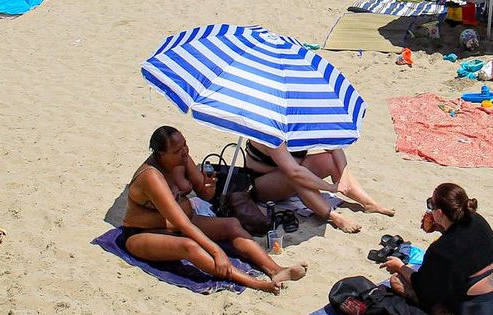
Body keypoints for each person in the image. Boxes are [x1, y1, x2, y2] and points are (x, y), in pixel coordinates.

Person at [119, 126, 304, 294]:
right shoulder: (151, 177)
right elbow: (181, 223)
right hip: (143, 234)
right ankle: (257, 283)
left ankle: (276, 270)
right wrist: (217, 252)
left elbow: (203, 194)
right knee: (189, 246)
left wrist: (208, 188)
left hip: (183, 221)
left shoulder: (183, 160)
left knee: (231, 224)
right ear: (160, 155)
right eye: (177, 150)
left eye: (185, 145)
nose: (184, 152)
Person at [379, 184, 493, 315]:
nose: (429, 209)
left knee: (397, 281)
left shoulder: (440, 250)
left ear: (439, 213)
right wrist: (439, 226)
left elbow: (424, 289)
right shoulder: (478, 221)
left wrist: (400, 266)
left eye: (431, 205)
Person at [241, 138, 392, 235]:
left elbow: (335, 147)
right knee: (298, 177)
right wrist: (330, 187)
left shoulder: (302, 123)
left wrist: (343, 174)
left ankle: (368, 203)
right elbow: (295, 172)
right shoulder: (270, 132)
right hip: (262, 185)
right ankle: (335, 217)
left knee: (329, 160)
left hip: (293, 171)